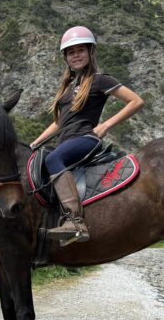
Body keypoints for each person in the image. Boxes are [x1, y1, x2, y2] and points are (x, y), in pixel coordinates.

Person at [29, 26, 143, 244]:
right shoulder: (68, 87)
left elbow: (136, 101)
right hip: (66, 141)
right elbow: (58, 123)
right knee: (39, 161)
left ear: (91, 52)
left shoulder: (100, 80)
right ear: (65, 58)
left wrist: (105, 126)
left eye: (81, 50)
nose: (76, 55)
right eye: (71, 52)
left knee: (53, 159)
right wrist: (36, 143)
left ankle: (75, 220)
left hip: (85, 139)